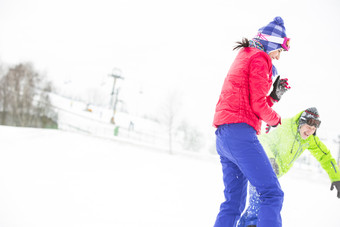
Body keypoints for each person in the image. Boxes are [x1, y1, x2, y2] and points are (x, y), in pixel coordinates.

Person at [213, 16, 291, 227]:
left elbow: (250, 103)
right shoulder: (260, 58)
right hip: (240, 135)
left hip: (224, 136)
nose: (277, 57)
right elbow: (258, 106)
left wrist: (273, 97)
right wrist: (276, 120)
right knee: (272, 194)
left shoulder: (246, 55)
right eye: (279, 51)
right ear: (272, 44)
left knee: (233, 204)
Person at [237, 107, 340, 227]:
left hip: (271, 172)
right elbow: (263, 140)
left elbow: (325, 156)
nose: (310, 131)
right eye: (308, 127)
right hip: (259, 164)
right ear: (302, 122)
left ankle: (245, 224)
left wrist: (336, 177)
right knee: (265, 199)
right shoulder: (284, 126)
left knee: (260, 203)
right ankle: (252, 224)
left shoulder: (309, 139)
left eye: (313, 129)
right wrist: (270, 159)